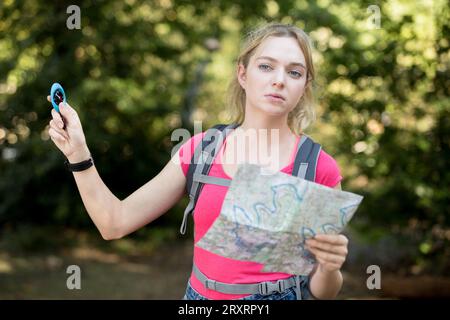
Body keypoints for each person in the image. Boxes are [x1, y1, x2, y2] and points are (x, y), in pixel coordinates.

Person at [47, 22, 348, 300]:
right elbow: (114, 223)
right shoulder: (201, 151)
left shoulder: (318, 167)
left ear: (305, 85)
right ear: (243, 74)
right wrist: (78, 153)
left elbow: (322, 292)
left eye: (294, 72)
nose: (279, 80)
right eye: (266, 66)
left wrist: (329, 268)